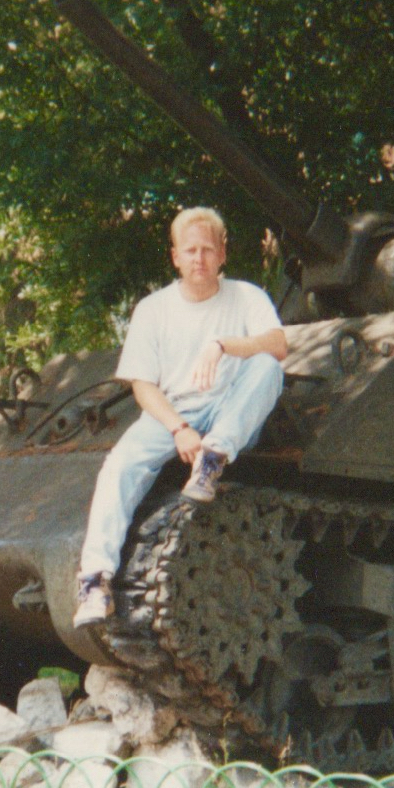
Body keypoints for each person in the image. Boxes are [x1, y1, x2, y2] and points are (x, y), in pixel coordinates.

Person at [72, 207, 288, 628]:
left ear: (223, 253)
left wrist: (224, 345)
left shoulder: (246, 296)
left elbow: (278, 345)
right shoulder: (153, 310)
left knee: (267, 366)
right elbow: (143, 386)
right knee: (119, 466)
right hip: (173, 411)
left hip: (232, 407)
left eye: (208, 249)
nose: (199, 258)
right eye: (190, 250)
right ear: (175, 257)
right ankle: (95, 582)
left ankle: (213, 459)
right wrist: (179, 429)